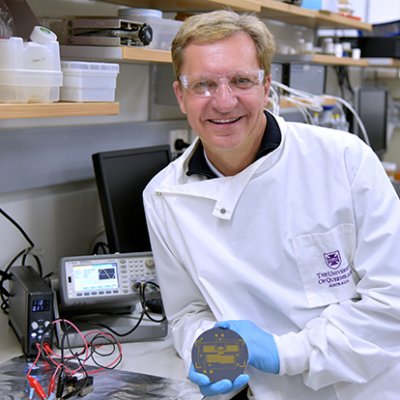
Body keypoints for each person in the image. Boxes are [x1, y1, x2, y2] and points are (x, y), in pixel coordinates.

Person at [143, 9, 400, 400]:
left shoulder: (344, 160)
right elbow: (186, 312)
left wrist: (285, 353)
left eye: (242, 81)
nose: (224, 102)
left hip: (359, 389)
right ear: (181, 95)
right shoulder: (163, 197)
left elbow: (392, 303)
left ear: (267, 85)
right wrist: (204, 344)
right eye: (204, 85)